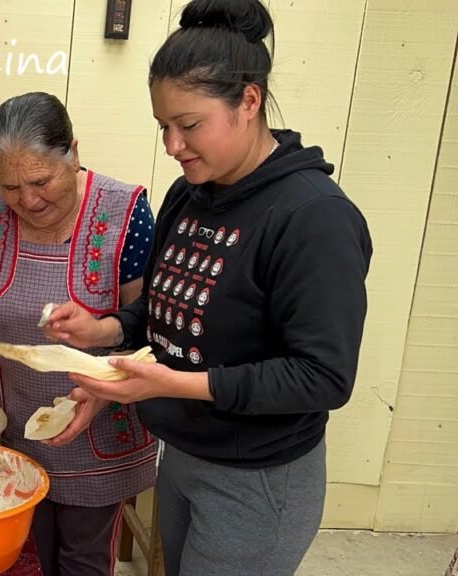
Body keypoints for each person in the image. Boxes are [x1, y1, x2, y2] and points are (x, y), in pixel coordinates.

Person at [42, 1, 374, 575]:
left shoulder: (312, 218)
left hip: (260, 480)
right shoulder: (190, 195)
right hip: (186, 454)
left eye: (189, 125)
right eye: (163, 127)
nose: (172, 145)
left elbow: (323, 376)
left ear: (249, 101)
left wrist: (173, 383)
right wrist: (108, 334)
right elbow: (168, 311)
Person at [0, 92, 158, 576]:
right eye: (10, 186)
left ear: (73, 153)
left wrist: (101, 388)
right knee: (18, 555)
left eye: (40, 180)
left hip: (98, 431)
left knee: (81, 561)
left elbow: (148, 327)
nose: (27, 200)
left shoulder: (125, 212)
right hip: (11, 423)